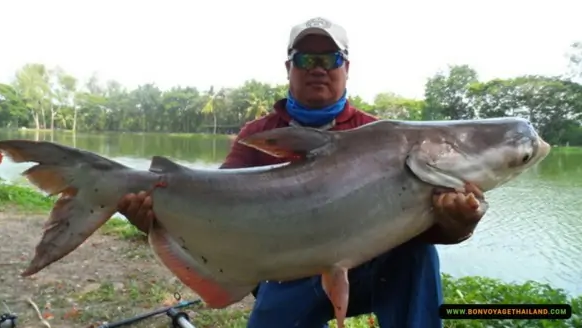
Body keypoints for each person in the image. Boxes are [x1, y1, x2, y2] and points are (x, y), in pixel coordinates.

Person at [117, 17, 487, 328]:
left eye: (330, 58)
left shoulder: (380, 137)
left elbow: (428, 228)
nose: (318, 68)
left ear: (346, 67)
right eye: (306, 58)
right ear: (289, 68)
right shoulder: (257, 134)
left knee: (416, 258)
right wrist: (159, 217)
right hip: (284, 272)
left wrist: (460, 223)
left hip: (365, 271)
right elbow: (215, 206)